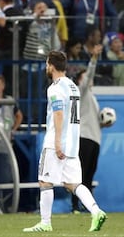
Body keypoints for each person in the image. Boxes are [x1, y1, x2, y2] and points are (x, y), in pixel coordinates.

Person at [23, 50, 107, 232]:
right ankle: (96, 211)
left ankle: (45, 223)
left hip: (56, 142)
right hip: (73, 143)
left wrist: (57, 142)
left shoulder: (55, 88)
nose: (46, 67)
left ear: (51, 66)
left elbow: (59, 114)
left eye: (47, 64)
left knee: (45, 182)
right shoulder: (73, 86)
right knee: (74, 184)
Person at [71, 45, 113, 213]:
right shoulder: (81, 92)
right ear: (80, 80)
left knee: (89, 175)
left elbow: (93, 120)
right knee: (80, 175)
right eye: (85, 77)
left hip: (95, 139)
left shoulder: (91, 97)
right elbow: (88, 75)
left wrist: (104, 123)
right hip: (84, 138)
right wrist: (93, 58)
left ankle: (86, 206)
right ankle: (74, 205)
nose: (88, 79)